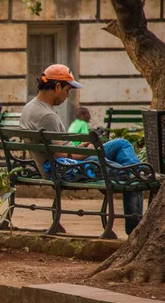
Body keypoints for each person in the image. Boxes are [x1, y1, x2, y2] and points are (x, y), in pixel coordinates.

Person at [20, 64, 143, 235]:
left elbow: (59, 148)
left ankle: (135, 170)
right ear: (57, 87)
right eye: (67, 90)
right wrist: (87, 151)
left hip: (66, 162)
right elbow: (61, 155)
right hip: (66, 168)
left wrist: (82, 147)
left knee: (121, 144)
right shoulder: (47, 116)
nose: (67, 96)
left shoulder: (30, 107)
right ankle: (136, 227)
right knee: (132, 176)